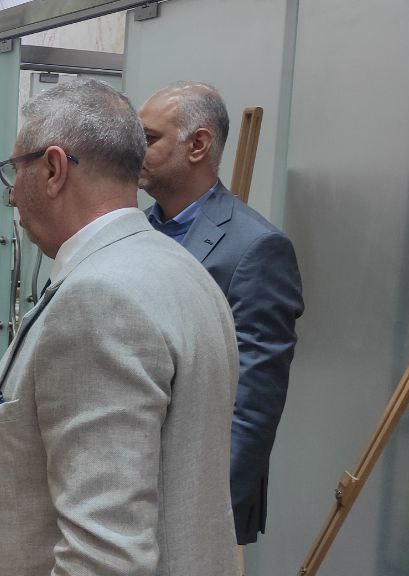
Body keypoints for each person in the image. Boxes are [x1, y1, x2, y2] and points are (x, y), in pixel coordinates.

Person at [0, 78, 238, 575]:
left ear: (53, 169)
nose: (11, 195)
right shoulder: (181, 268)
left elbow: (103, 556)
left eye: (15, 171)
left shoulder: (101, 298)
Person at [138, 81, 304, 559]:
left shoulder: (256, 248)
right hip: (132, 479)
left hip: (196, 497)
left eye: (149, 139)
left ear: (198, 145)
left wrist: (206, 514)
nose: (135, 150)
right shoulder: (137, 229)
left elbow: (254, 400)